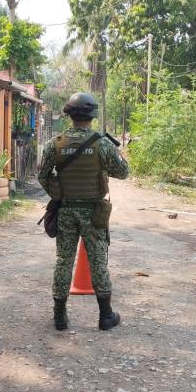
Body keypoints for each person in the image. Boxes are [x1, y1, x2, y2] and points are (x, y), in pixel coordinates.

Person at [38, 92, 130, 331]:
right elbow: (123, 172)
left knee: (63, 261)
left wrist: (56, 194)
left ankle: (59, 317)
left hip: (66, 211)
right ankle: (106, 316)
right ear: (92, 115)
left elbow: (42, 175)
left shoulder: (55, 143)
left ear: (69, 114)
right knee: (98, 262)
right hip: (93, 213)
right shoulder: (102, 144)